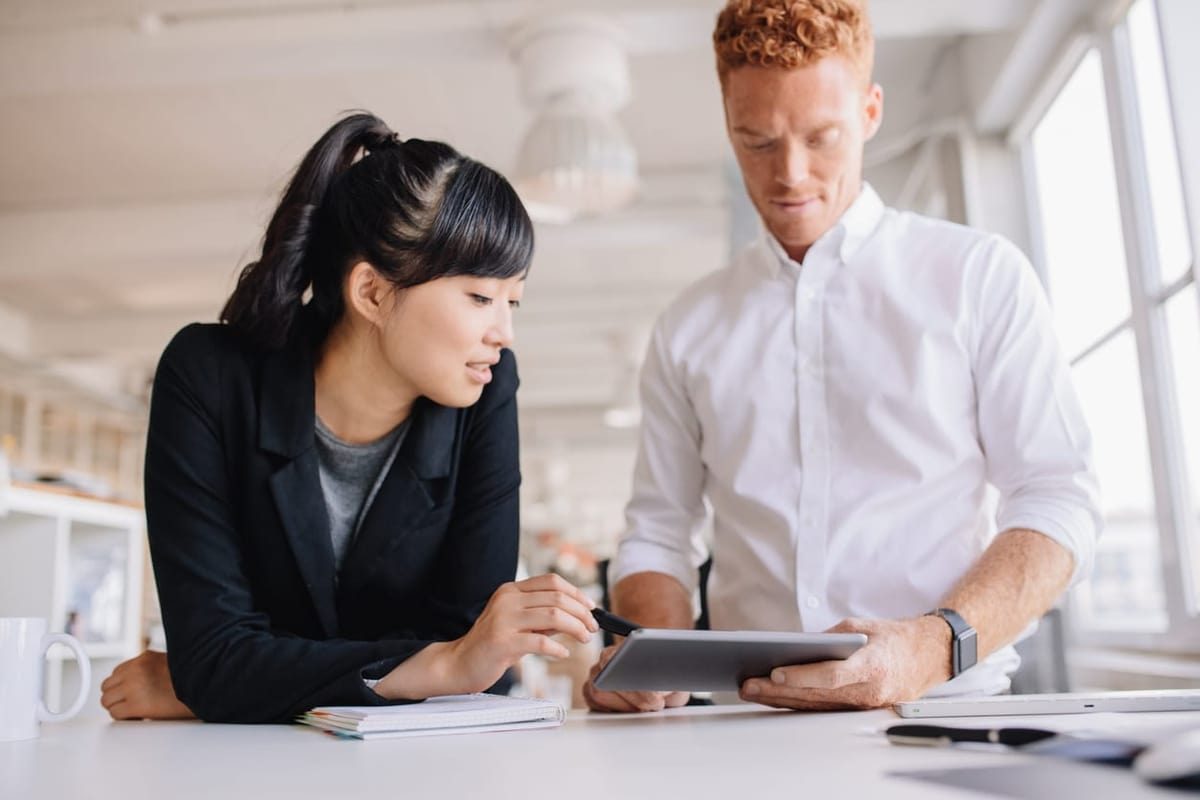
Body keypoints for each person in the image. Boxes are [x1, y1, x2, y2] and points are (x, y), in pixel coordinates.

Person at [583, 0, 1101, 714]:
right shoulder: (688, 326)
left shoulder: (978, 276)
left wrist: (929, 645)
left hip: (942, 706)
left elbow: (1057, 496)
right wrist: (651, 652)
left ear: (870, 111)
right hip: (744, 725)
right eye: (756, 141)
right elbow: (658, 533)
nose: (790, 174)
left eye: (822, 137)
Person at [99, 112, 598, 724]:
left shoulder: (487, 388)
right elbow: (215, 660)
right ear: (371, 292)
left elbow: (478, 663)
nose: (504, 333)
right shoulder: (208, 377)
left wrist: (237, 683)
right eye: (479, 297)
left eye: (513, 300)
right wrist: (439, 666)